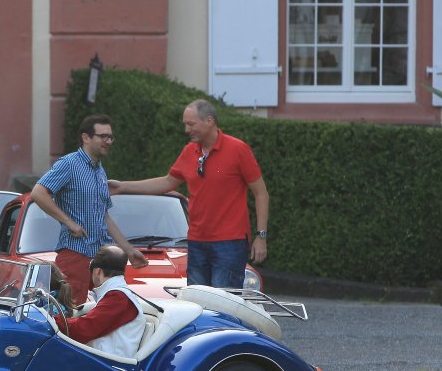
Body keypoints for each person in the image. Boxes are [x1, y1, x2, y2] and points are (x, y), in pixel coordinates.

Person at [109, 99, 268, 288]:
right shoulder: (189, 151)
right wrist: (122, 187)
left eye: (191, 124)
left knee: (224, 301)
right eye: (185, 124)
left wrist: (261, 236)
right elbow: (167, 182)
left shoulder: (238, 149)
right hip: (196, 242)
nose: (186, 129)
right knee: (196, 300)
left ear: (209, 121)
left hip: (229, 243)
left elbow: (261, 193)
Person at [30, 114, 148, 304]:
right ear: (86, 137)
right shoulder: (69, 163)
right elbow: (38, 192)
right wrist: (68, 222)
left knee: (107, 310)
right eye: (103, 136)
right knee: (72, 311)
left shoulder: (100, 170)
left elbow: (104, 217)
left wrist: (128, 250)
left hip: (102, 258)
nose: (108, 141)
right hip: (75, 254)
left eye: (110, 137)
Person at [52, 245, 145, 356]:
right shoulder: (117, 295)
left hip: (108, 364)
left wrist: (51, 319)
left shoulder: (117, 297)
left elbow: (82, 330)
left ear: (98, 271)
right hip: (100, 360)